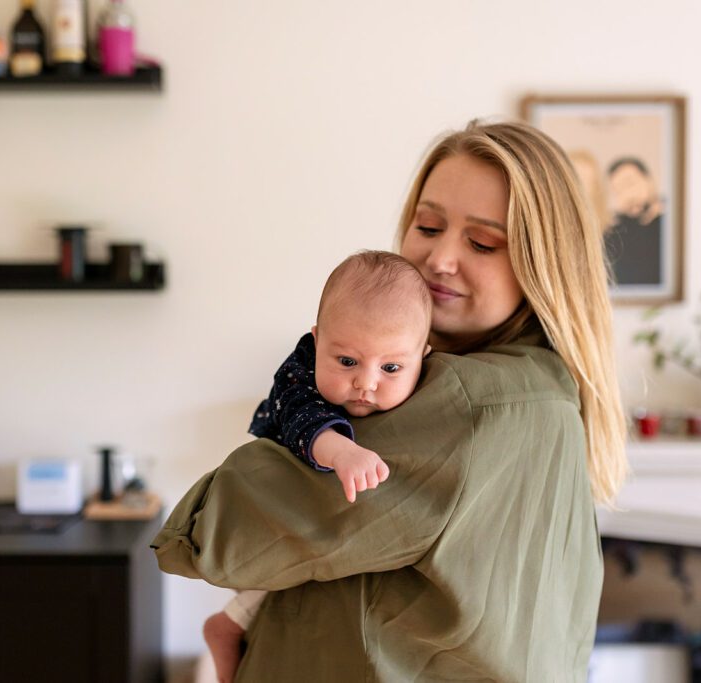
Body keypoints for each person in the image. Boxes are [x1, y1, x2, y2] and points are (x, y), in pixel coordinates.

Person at [153, 120, 629, 681]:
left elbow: (216, 535)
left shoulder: (467, 401)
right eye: (427, 226)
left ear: (542, 264)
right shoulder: (545, 390)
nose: (439, 259)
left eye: (482, 242)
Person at [201, 250, 433, 682]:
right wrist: (341, 452)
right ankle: (227, 625)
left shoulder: (428, 381)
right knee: (282, 562)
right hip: (280, 487)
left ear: (424, 356)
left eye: (391, 367)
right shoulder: (300, 373)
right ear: (316, 339)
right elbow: (303, 420)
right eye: (347, 361)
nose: (366, 382)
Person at [604, 156, 664, 286]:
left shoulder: (672, 224)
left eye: (630, 184)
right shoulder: (614, 235)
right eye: (618, 191)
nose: (628, 195)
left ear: (649, 181)